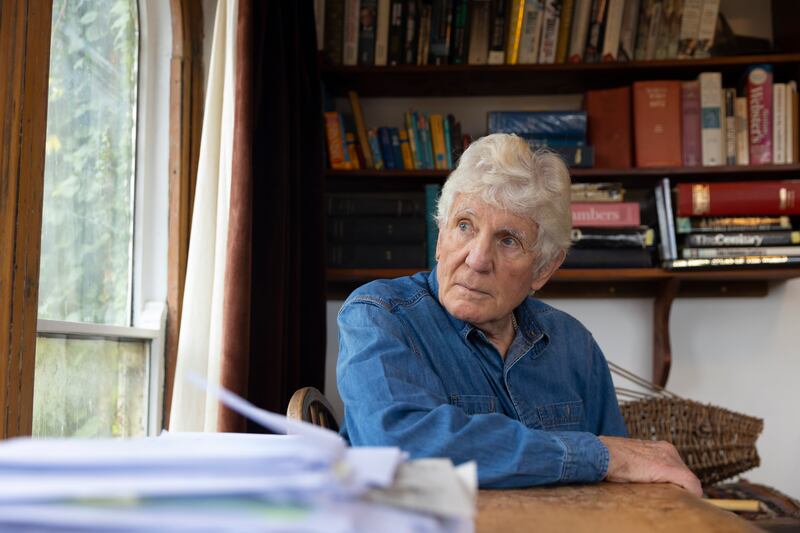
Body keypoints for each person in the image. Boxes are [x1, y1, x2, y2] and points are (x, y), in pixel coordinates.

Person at [336, 133, 701, 496]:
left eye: (508, 240)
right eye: (465, 226)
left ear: (544, 268)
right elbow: (399, 451)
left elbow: (624, 480)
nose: (477, 259)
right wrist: (599, 455)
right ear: (440, 238)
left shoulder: (574, 345)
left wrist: (616, 461)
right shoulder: (379, 316)